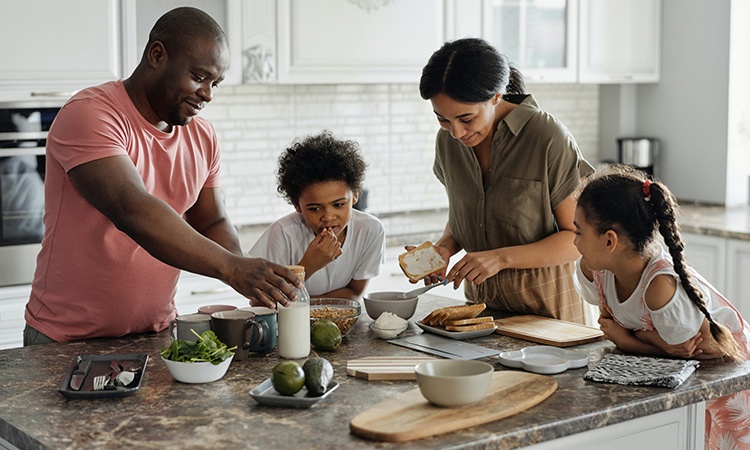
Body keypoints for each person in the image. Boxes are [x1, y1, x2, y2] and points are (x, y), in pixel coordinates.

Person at [24, 7, 301, 345]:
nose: (208, 94)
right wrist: (232, 268)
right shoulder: (90, 114)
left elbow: (212, 220)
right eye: (199, 77)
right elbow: (132, 209)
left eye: (215, 83)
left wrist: (246, 275)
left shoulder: (202, 135)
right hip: (66, 339)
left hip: (155, 333)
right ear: (157, 55)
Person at [417, 37, 595, 323]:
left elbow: (577, 239)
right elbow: (469, 216)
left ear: (496, 96)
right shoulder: (448, 143)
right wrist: (444, 248)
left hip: (549, 316)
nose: (457, 133)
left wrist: (499, 258)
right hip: (481, 315)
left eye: (467, 119)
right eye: (443, 120)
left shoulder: (546, 137)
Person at [572, 165, 750, 447]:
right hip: (681, 373)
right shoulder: (597, 269)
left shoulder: (659, 287)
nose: (574, 241)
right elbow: (620, 327)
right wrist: (657, 343)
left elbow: (701, 352)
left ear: (609, 240)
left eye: (578, 232)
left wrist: (631, 341)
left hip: (729, 376)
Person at [248, 131, 385, 300]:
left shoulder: (370, 230)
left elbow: (354, 293)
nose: (328, 217)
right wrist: (309, 265)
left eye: (339, 204)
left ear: (355, 195)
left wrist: (306, 306)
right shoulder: (283, 233)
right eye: (315, 208)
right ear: (297, 205)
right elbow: (260, 301)